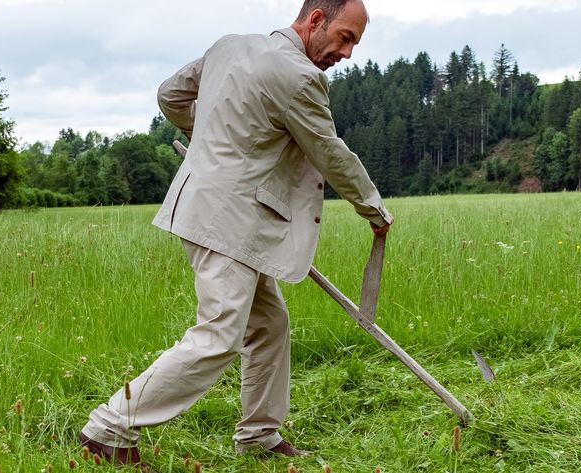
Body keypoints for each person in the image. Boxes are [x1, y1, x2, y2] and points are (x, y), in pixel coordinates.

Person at [78, 0, 393, 469]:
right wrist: (373, 207)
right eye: (345, 38)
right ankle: (107, 429)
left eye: (354, 44)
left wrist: (212, 133)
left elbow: (170, 95)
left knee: (269, 325)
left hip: (215, 212)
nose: (347, 54)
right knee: (219, 336)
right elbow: (328, 151)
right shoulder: (299, 77)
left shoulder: (229, 47)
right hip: (226, 219)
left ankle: (259, 434)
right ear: (315, 20)